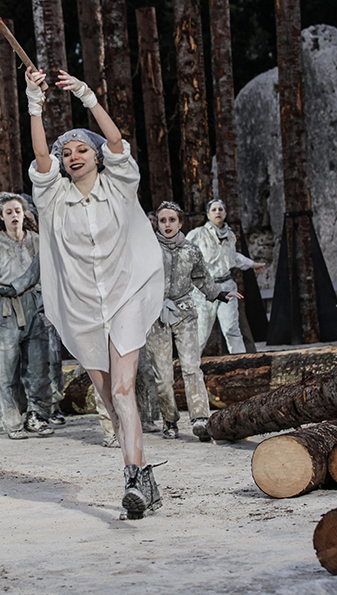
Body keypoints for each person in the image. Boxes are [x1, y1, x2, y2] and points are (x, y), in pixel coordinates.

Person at [26, 66, 165, 520]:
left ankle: (133, 483)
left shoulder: (120, 185)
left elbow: (120, 142)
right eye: (68, 153)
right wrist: (34, 103)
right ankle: (146, 474)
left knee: (124, 392)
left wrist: (87, 95)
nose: (73, 156)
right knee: (109, 401)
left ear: (97, 156)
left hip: (124, 297)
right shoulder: (52, 200)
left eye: (82, 149)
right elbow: (40, 158)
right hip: (83, 308)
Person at [145, 202, 241, 441]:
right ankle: (169, 418)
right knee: (163, 374)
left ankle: (200, 418)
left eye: (172, 220)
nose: (167, 225)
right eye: (163, 220)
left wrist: (219, 294)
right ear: (157, 222)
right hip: (155, 315)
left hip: (185, 311)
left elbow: (202, 278)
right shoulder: (146, 249)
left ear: (180, 222)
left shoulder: (191, 249)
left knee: (191, 367)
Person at [0, 192, 55, 439]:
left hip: (33, 305)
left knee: (38, 368)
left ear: (24, 213)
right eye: (9, 212)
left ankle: (38, 417)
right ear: (1, 216)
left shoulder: (37, 240)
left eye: (17, 211)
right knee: (5, 370)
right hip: (3, 308)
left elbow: (49, 274)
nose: (14, 215)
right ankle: (12, 420)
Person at [187, 199, 265, 355]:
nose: (218, 212)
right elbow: (184, 254)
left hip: (226, 285)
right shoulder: (197, 234)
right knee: (201, 332)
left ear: (225, 213)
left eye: (221, 209)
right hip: (205, 289)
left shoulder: (230, 235)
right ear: (208, 214)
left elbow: (233, 257)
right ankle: (190, 367)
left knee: (231, 328)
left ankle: (240, 363)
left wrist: (252, 264)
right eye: (214, 209)